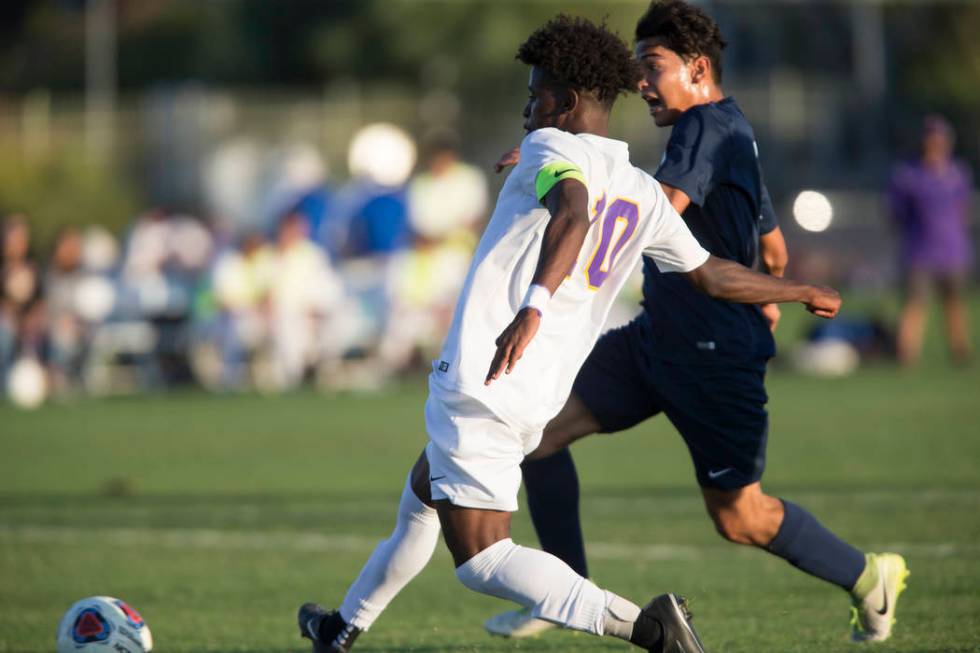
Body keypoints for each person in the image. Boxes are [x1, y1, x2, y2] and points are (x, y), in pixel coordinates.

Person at [297, 15, 841, 653]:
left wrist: (532, 304)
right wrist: (798, 290)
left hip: (485, 376)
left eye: (536, 96)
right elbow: (711, 275)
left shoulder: (550, 148)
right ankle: (341, 629)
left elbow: (574, 210)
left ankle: (651, 627)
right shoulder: (641, 189)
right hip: (535, 394)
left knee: (480, 560)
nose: (529, 109)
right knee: (422, 496)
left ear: (568, 101)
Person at [484, 0, 907, 644]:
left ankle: (868, 575)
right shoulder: (733, 128)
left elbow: (655, 211)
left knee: (741, 518)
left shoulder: (704, 129)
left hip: (713, 356)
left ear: (699, 66)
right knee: (537, 437)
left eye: (652, 67)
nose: (641, 84)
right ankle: (562, 592)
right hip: (659, 340)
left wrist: (556, 168)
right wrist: (769, 293)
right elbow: (771, 242)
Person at [889, 115, 973, 366]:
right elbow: (896, 213)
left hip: (952, 250)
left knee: (954, 303)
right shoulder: (907, 174)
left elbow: (963, 209)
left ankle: (960, 353)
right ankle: (905, 355)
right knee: (915, 304)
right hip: (920, 251)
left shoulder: (957, 173)